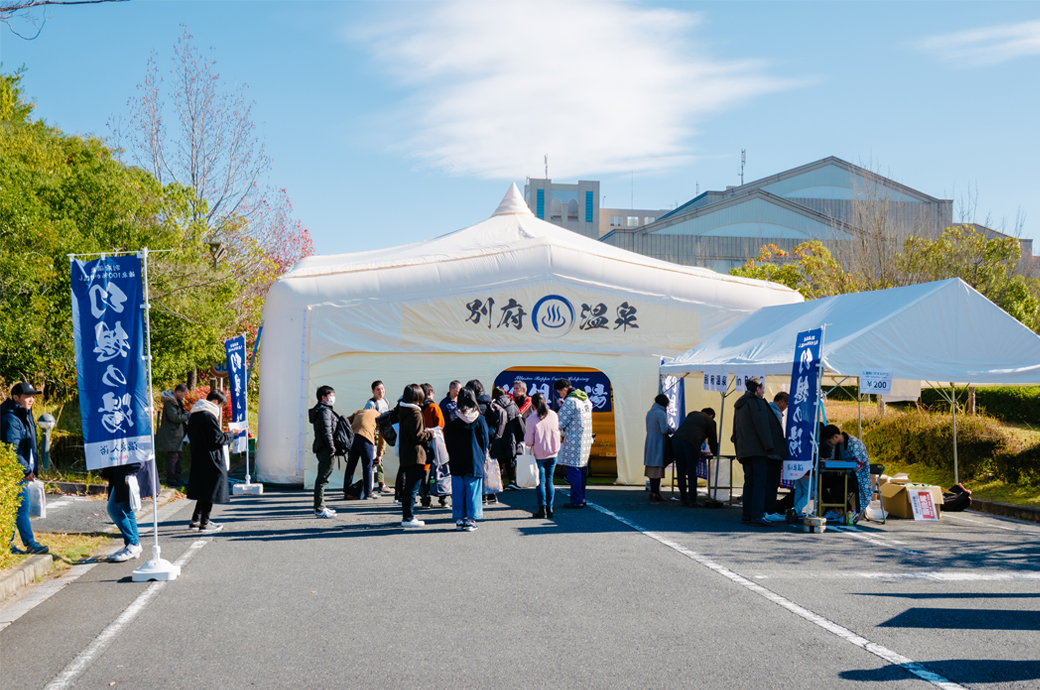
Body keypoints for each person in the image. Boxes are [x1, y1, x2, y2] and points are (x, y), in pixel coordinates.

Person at [2, 382, 48, 554]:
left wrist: (32, 469)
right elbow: (11, 449)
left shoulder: (23, 414)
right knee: (19, 507)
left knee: (18, 507)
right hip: (12, 472)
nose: (31, 400)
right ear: (16, 398)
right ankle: (23, 544)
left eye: (33, 396)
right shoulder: (11, 418)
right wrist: (25, 470)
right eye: (28, 396)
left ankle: (15, 544)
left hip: (18, 471)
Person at [186, 390, 234, 532]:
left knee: (203, 490)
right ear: (214, 402)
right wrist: (231, 434)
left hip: (198, 456)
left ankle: (195, 520)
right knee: (210, 490)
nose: (220, 409)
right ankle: (204, 523)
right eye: (220, 406)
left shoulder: (194, 414)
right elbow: (217, 439)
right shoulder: (208, 416)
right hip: (211, 458)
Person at [731, 377, 775, 527]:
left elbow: (735, 429)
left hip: (744, 450)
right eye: (762, 388)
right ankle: (756, 515)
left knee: (749, 482)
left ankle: (747, 515)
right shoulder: (756, 403)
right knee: (759, 483)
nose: (763, 391)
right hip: (757, 450)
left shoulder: (740, 403)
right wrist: (769, 446)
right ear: (757, 389)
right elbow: (762, 426)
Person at [444, 388, 489, 532]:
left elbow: (448, 439)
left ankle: (459, 520)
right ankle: (470, 520)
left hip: (456, 459)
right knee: (473, 490)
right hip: (474, 459)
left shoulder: (453, 418)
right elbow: (485, 440)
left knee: (458, 490)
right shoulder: (480, 419)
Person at [100, 457, 157, 562]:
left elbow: (134, 447)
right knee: (126, 509)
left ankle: (133, 544)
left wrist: (132, 470)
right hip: (125, 469)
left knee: (114, 509)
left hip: (127, 470)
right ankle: (131, 546)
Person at [396, 384, 434, 528]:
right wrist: (431, 433)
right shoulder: (415, 413)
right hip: (416, 454)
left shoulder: (403, 410)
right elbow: (418, 436)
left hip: (406, 453)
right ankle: (408, 517)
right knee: (412, 487)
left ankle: (407, 515)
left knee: (408, 487)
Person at [555, 378, 593, 508]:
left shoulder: (571, 401)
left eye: (560, 392)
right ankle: (581, 498)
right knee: (582, 469)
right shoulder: (585, 399)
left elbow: (559, 422)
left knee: (573, 469)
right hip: (586, 439)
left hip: (573, 441)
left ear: (565, 390)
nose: (560, 395)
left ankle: (576, 500)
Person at [821, 424, 872, 522]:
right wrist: (826, 460)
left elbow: (857, 465)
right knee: (820, 482)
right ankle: (833, 511)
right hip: (844, 475)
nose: (829, 443)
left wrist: (835, 463)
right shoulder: (836, 445)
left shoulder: (854, 444)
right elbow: (832, 459)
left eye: (829, 441)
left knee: (836, 489)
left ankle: (851, 511)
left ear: (835, 437)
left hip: (858, 478)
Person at [524, 393, 561, 519]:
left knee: (540, 482)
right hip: (553, 452)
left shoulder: (531, 419)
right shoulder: (554, 415)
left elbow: (528, 441)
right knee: (550, 480)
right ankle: (550, 508)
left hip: (539, 453)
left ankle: (542, 509)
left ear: (532, 404)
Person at [672, 407, 719, 506]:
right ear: (711, 416)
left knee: (681, 471)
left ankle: (683, 498)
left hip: (676, 440)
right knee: (691, 471)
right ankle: (693, 499)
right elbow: (712, 440)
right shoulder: (710, 421)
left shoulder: (692, 413)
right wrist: (715, 453)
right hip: (691, 442)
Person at [308, 385, 340, 519]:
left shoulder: (320, 410)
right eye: (331, 395)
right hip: (326, 449)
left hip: (321, 447)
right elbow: (327, 432)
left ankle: (320, 506)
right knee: (322, 479)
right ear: (323, 397)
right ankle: (319, 508)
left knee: (322, 478)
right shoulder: (325, 411)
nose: (333, 398)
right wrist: (332, 448)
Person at [343, 406, 382, 500]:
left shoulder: (359, 412)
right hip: (366, 439)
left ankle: (347, 490)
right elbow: (382, 438)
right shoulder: (380, 416)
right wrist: (379, 454)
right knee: (367, 466)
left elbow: (346, 420)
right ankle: (368, 493)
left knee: (351, 465)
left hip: (353, 439)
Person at [762, 391, 790, 522]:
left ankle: (764, 509)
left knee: (766, 483)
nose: (786, 407)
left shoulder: (766, 410)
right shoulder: (775, 413)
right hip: (773, 454)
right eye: (786, 404)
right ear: (782, 401)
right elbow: (776, 436)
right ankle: (770, 510)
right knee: (772, 484)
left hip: (766, 454)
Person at [488, 386, 522, 491]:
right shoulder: (512, 404)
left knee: (498, 459)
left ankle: (500, 481)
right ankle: (511, 481)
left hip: (497, 435)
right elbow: (518, 421)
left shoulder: (493, 405)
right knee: (510, 458)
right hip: (511, 434)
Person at [644, 394, 676, 502]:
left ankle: (652, 492)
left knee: (651, 469)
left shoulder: (649, 412)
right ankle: (656, 493)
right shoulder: (661, 413)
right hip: (658, 443)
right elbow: (664, 430)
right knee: (657, 468)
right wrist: (672, 429)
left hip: (649, 442)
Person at [420, 383, 448, 507]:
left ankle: (425, 500)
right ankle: (443, 499)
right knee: (441, 470)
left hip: (422, 444)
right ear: (430, 392)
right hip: (437, 444)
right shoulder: (434, 407)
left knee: (424, 473)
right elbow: (441, 425)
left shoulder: (418, 408)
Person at [156, 384, 189, 486]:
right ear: (178, 392)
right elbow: (174, 418)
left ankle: (177, 478)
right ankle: (171, 479)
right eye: (184, 394)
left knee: (178, 457)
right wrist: (188, 415)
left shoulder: (177, 401)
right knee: (173, 457)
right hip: (172, 434)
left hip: (177, 434)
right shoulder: (170, 403)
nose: (185, 397)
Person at [364, 380, 393, 494]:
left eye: (382, 389)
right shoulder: (371, 404)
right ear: (373, 391)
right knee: (377, 458)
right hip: (374, 434)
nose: (381, 391)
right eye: (378, 390)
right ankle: (381, 484)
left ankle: (372, 483)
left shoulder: (385, 401)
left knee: (379, 457)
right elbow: (366, 420)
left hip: (384, 433)